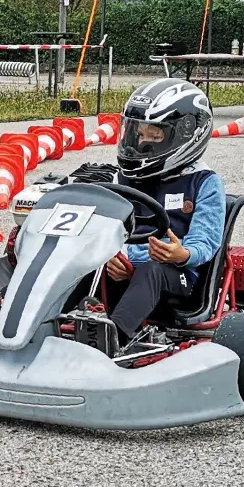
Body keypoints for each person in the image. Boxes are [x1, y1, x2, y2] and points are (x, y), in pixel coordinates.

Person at [101, 78, 227, 337]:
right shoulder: (122, 178)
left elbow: (206, 241)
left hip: (179, 277)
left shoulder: (204, 183)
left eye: (154, 136)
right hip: (123, 270)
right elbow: (105, 228)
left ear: (184, 135)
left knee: (152, 271)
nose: (143, 143)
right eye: (139, 134)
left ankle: (111, 339)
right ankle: (36, 324)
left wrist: (182, 254)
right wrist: (113, 257)